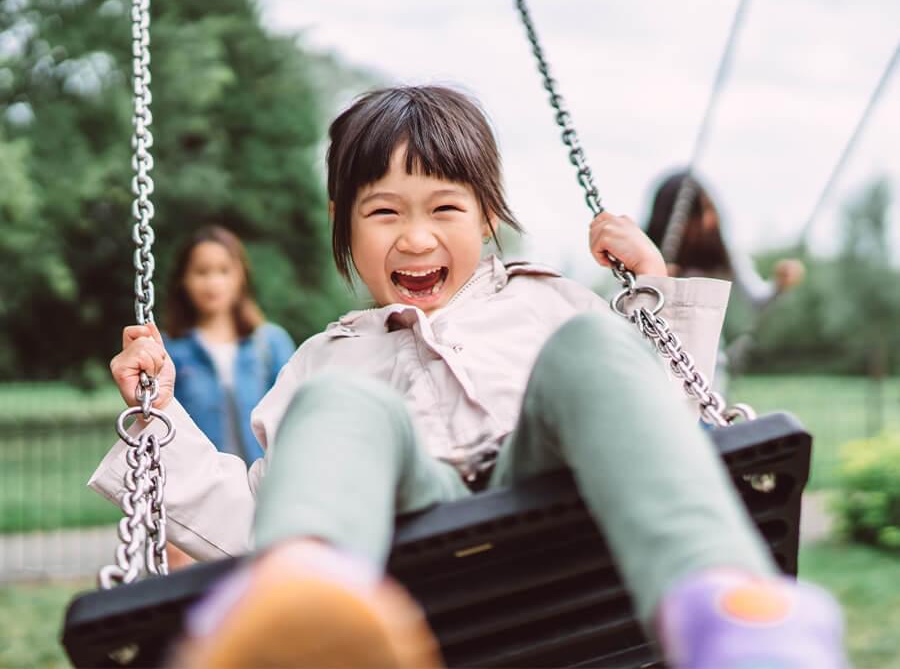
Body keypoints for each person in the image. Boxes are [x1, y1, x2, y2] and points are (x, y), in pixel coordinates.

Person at [90, 86, 844, 669]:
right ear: (344, 223)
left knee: (594, 346)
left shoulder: (550, 300)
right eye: (382, 211)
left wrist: (657, 297)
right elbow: (252, 516)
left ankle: (726, 608)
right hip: (406, 537)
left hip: (551, 502)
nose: (415, 237)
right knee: (340, 403)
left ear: (485, 216)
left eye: (444, 207)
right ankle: (306, 598)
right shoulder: (323, 359)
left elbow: (656, 433)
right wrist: (161, 422)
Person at [646, 171, 805, 385]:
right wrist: (652, 279)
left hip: (705, 371)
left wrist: (779, 284)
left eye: (709, 210)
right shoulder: (648, 255)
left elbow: (758, 300)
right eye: (698, 214)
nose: (708, 221)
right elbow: (622, 305)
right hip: (655, 365)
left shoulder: (724, 256)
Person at [164, 225, 296, 464]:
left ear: (240, 276)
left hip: (262, 488)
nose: (213, 282)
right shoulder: (169, 350)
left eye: (224, 271)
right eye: (202, 272)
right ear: (184, 279)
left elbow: (294, 419)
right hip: (198, 487)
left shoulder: (270, 344)